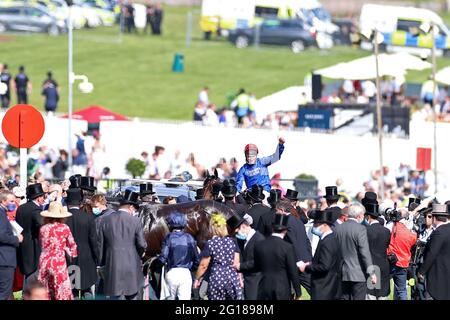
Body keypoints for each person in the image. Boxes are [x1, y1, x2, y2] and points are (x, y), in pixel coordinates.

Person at [97, 190, 147, 300]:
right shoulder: (135, 221)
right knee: (132, 295)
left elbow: (100, 245)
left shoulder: (105, 220)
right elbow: (142, 244)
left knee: (115, 295)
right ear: (130, 207)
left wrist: (101, 263)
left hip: (112, 263)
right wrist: (140, 254)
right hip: (132, 263)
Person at [194, 213, 242, 300]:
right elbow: (236, 263)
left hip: (216, 279)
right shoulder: (233, 242)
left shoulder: (211, 243)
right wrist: (239, 279)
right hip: (232, 279)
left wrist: (197, 279)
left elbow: (203, 266)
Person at [254, 214, 301, 300]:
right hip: (282, 287)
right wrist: (298, 291)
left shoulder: (260, 245)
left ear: (272, 228)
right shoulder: (287, 247)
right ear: (285, 230)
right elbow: (292, 271)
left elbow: (256, 267)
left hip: (264, 286)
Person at [298, 209, 342, 300]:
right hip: (328, 286)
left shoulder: (328, 241)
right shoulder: (329, 239)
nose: (314, 226)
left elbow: (324, 266)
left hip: (324, 288)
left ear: (325, 225)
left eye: (316, 224)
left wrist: (307, 267)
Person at [335, 204, 376, 300]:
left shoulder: (337, 228)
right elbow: (364, 253)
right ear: (359, 215)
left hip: (341, 272)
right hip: (358, 273)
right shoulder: (360, 229)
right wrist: (372, 273)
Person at [38, 202, 77, 300]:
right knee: (60, 287)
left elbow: (41, 244)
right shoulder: (64, 228)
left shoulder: (43, 228)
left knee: (45, 287)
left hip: (44, 260)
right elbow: (72, 244)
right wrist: (72, 255)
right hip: (58, 260)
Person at [158, 212, 199, 300]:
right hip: (186, 274)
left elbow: (163, 257)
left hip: (172, 272)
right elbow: (197, 259)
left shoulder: (169, 238)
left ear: (170, 226)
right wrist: (192, 268)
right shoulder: (190, 238)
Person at [65, 189, 98, 299]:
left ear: (67, 202)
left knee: (72, 290)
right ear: (80, 203)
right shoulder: (88, 217)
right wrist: (97, 257)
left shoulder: (63, 218)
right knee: (86, 288)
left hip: (68, 257)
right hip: (86, 256)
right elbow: (93, 240)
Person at [276, 198, 312, 295]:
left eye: (277, 210)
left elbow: (293, 243)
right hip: (305, 259)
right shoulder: (298, 221)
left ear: (282, 210)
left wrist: (299, 261)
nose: (276, 213)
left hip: (297, 262)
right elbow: (306, 241)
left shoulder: (286, 222)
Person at [228, 212, 265, 300]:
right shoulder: (244, 240)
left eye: (237, 231)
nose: (237, 234)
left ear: (244, 226)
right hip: (249, 279)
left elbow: (260, 261)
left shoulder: (259, 239)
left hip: (256, 280)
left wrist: (241, 266)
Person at [15, 184, 46, 289]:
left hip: (22, 244)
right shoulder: (36, 210)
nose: (43, 199)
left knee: (27, 272)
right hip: (33, 246)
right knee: (33, 273)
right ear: (38, 198)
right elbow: (42, 226)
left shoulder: (21, 208)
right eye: (43, 197)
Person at [418, 204, 450, 300]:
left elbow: (432, 253)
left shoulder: (439, 232)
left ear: (434, 218)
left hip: (438, 271)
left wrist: (422, 271)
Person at [386, 206, 417, 300]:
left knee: (383, 287)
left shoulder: (391, 226)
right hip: (403, 263)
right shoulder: (411, 233)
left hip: (390, 261)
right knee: (402, 290)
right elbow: (413, 241)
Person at [364, 200, 391, 300]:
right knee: (383, 295)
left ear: (368, 217)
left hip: (371, 265)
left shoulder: (366, 231)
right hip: (384, 264)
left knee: (371, 295)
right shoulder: (387, 231)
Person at [0, 190, 23, 300]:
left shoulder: (3, 213)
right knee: (4, 292)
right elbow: (2, 236)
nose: (14, 203)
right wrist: (16, 239)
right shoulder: (1, 214)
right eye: (11, 201)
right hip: (4, 260)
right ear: (3, 201)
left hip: (5, 259)